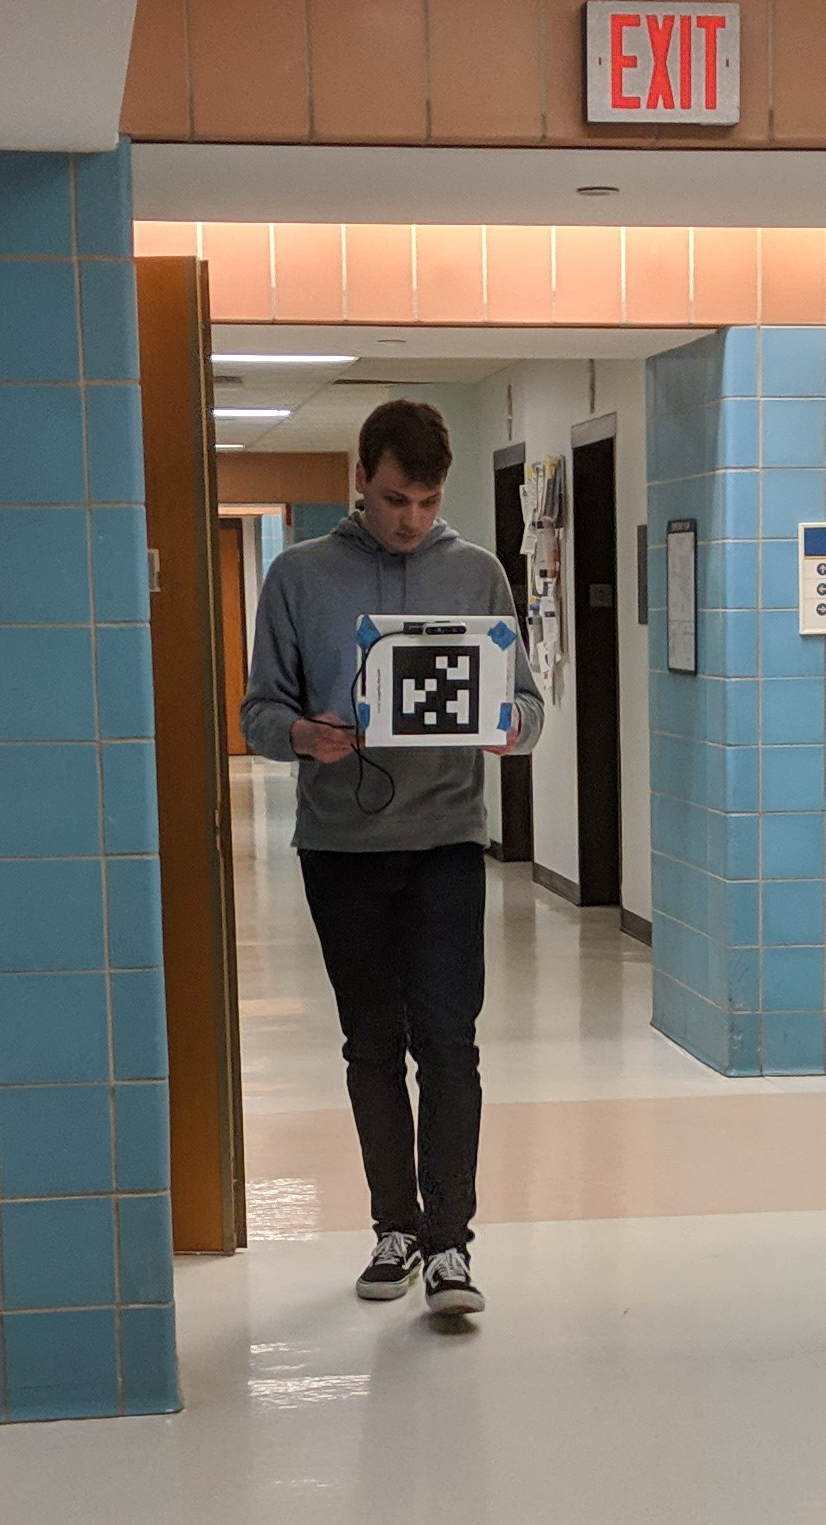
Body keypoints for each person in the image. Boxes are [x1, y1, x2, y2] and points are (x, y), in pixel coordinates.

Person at [242, 399, 543, 1317]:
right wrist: (302, 734)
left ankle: (451, 1245)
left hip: (448, 838)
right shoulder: (299, 577)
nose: (409, 518)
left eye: (425, 499)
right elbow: (256, 715)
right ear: (357, 483)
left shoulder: (478, 573)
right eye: (391, 498)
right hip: (341, 843)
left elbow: (528, 708)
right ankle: (395, 1228)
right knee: (371, 1044)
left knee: (449, 1043)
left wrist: (507, 730)